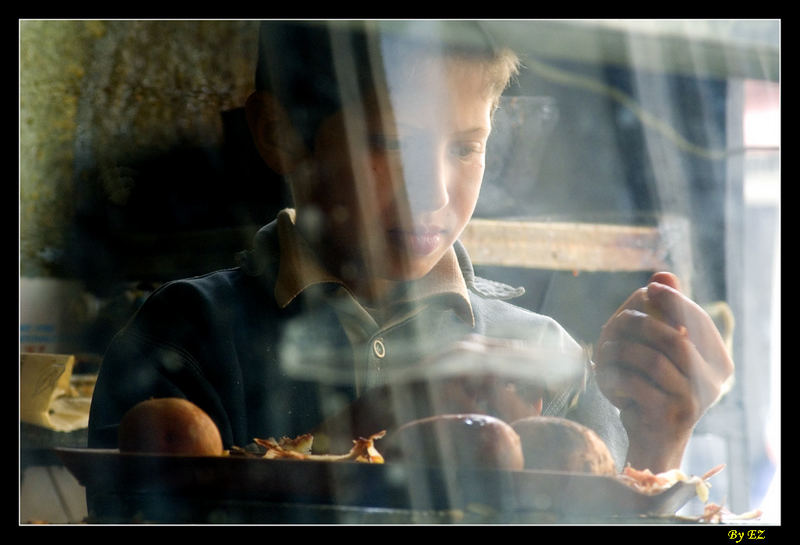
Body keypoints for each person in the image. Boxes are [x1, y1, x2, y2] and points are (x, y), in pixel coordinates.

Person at [87, 21, 733, 477]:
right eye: (392, 145)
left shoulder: (547, 362)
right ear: (279, 132)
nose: (432, 192)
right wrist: (379, 417)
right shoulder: (182, 340)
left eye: (465, 147)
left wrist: (658, 437)